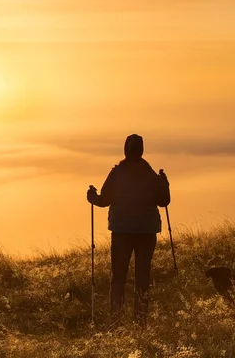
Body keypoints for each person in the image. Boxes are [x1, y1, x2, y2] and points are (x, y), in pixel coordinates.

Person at [86, 134, 170, 327]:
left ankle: (116, 321)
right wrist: (165, 183)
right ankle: (140, 321)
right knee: (142, 276)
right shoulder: (151, 175)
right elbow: (164, 201)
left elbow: (104, 200)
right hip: (146, 232)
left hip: (121, 231)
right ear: (141, 151)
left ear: (126, 150)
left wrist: (91, 196)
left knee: (118, 277)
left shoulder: (117, 173)